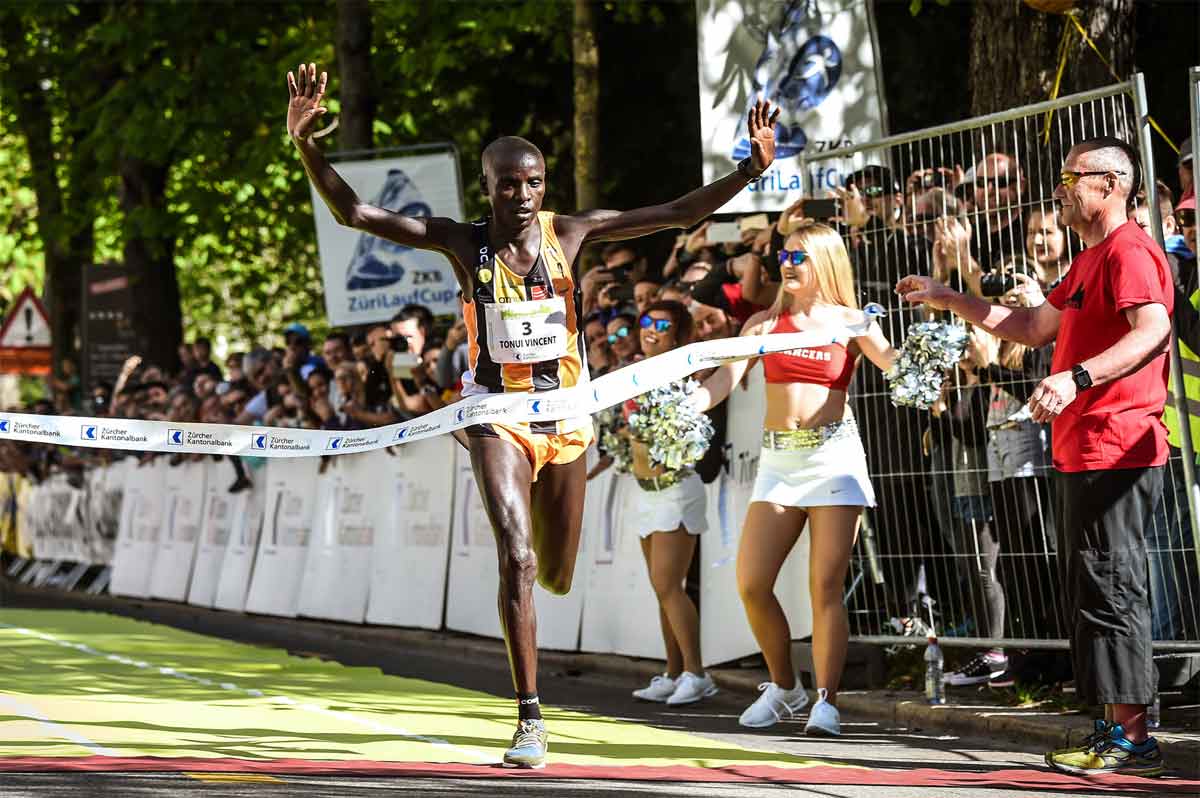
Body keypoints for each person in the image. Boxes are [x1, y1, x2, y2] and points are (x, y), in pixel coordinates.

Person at [287, 61, 782, 768]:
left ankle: (541, 616)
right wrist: (308, 145)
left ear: (544, 186)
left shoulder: (569, 234)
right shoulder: (464, 243)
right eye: (507, 184)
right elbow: (356, 215)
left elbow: (674, 213)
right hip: (497, 415)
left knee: (554, 569)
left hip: (568, 416)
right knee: (516, 559)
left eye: (532, 183)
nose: (521, 195)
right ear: (484, 188)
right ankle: (529, 718)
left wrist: (750, 171)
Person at [897, 136, 1172, 777]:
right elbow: (1030, 328)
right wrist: (951, 297)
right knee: (1092, 589)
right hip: (1083, 450)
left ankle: (1133, 738)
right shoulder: (1089, 259)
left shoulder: (1129, 251)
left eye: (1069, 177)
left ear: (1108, 184)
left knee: (1114, 589)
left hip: (1119, 446)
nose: (1059, 188)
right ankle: (1113, 730)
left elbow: (1154, 328)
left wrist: (1076, 378)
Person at [692, 222, 895, 736]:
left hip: (834, 460)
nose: (787, 263)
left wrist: (927, 360)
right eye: (785, 254)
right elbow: (724, 380)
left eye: (799, 256)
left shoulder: (853, 323)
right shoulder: (762, 325)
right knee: (752, 583)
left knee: (824, 585)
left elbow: (898, 368)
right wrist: (687, 406)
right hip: (778, 464)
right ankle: (785, 687)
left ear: (824, 261)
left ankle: (826, 701)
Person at [599, 301, 718, 706]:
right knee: (662, 588)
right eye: (646, 321)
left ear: (678, 333)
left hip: (676, 487)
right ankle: (673, 672)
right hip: (644, 491)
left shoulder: (683, 371)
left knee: (669, 585)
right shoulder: (630, 371)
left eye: (662, 324)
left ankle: (697, 673)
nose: (651, 329)